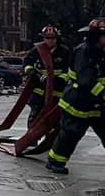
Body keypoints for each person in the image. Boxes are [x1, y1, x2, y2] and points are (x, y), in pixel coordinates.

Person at [46, 18, 105, 175]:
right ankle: (55, 162)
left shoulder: (102, 51)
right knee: (71, 134)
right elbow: (86, 81)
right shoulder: (84, 51)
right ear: (96, 36)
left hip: (98, 104)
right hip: (78, 102)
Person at [23, 25, 70, 126]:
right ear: (43, 38)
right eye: (48, 38)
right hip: (39, 90)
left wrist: (61, 79)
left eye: (53, 38)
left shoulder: (64, 52)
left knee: (57, 119)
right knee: (34, 117)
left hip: (57, 90)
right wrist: (31, 72)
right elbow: (27, 63)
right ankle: (31, 139)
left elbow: (69, 69)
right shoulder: (37, 50)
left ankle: (52, 140)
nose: (50, 41)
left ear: (57, 39)